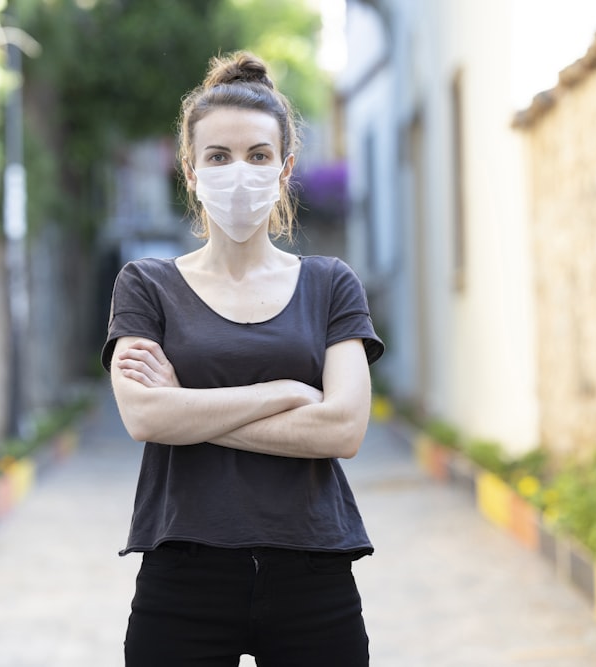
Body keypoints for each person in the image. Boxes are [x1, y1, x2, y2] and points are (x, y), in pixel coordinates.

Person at [101, 51, 384, 667]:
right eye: (219, 156)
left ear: (284, 169)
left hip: (314, 572)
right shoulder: (146, 285)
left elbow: (343, 427)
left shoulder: (330, 283)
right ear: (190, 169)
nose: (239, 172)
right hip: (184, 573)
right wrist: (286, 391)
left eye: (258, 156)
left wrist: (190, 407)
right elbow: (146, 419)